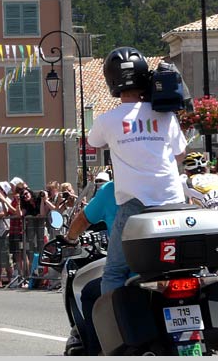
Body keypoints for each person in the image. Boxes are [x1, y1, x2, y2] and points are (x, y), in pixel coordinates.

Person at [88, 46, 187, 294]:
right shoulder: (166, 116)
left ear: (111, 80)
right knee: (176, 267)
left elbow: (93, 142)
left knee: (114, 272)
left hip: (135, 205)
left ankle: (115, 329)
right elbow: (180, 154)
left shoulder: (106, 121)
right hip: (173, 202)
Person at [60, 178, 119, 356]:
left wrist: (70, 238)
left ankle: (97, 352)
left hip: (131, 270)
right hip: (168, 269)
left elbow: (84, 219)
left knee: (90, 293)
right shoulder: (165, 185)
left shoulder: (112, 189)